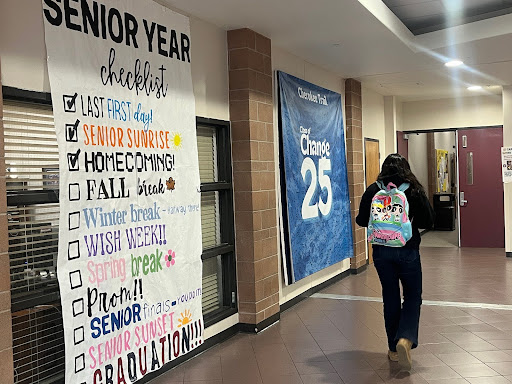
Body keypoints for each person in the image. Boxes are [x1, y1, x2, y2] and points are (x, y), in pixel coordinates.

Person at [356, 153, 434, 371]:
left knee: (390, 296)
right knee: (412, 296)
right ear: (406, 169)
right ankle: (405, 338)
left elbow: (361, 220)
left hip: (381, 253)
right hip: (407, 251)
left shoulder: (373, 190)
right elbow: (429, 220)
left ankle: (392, 348)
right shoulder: (413, 190)